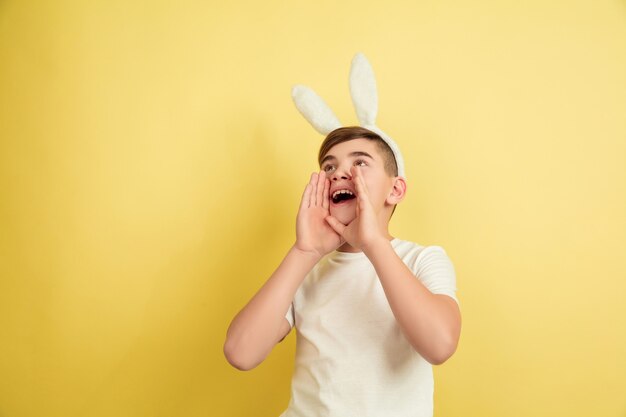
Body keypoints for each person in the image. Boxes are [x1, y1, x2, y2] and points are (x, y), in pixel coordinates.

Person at [224, 54, 461, 417]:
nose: (339, 172)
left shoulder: (422, 260)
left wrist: (374, 244)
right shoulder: (307, 271)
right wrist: (304, 251)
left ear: (395, 190)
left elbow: (440, 344)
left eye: (359, 162)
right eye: (329, 166)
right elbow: (240, 353)